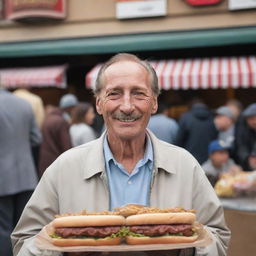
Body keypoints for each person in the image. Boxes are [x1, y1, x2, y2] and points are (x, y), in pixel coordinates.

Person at [11, 53, 230, 256]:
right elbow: (24, 241)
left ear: (153, 103)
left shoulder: (185, 165)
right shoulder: (64, 168)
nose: (126, 106)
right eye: (114, 94)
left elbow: (218, 237)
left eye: (138, 93)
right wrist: (65, 248)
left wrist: (183, 250)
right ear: (99, 104)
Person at [0, 87, 41, 256]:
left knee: (3, 229)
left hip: (2, 179)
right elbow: (36, 138)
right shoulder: (24, 104)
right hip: (26, 176)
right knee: (24, 228)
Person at [175, 99, 218, 164]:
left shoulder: (185, 118)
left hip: (190, 158)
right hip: (209, 159)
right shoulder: (213, 117)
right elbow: (215, 137)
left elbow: (179, 140)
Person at [38, 101, 73, 177]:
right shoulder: (60, 121)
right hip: (56, 162)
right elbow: (66, 146)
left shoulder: (46, 119)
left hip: (45, 161)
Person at [234, 103, 256, 170]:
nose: (254, 121)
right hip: (246, 165)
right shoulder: (242, 129)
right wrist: (248, 158)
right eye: (251, 119)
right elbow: (240, 145)